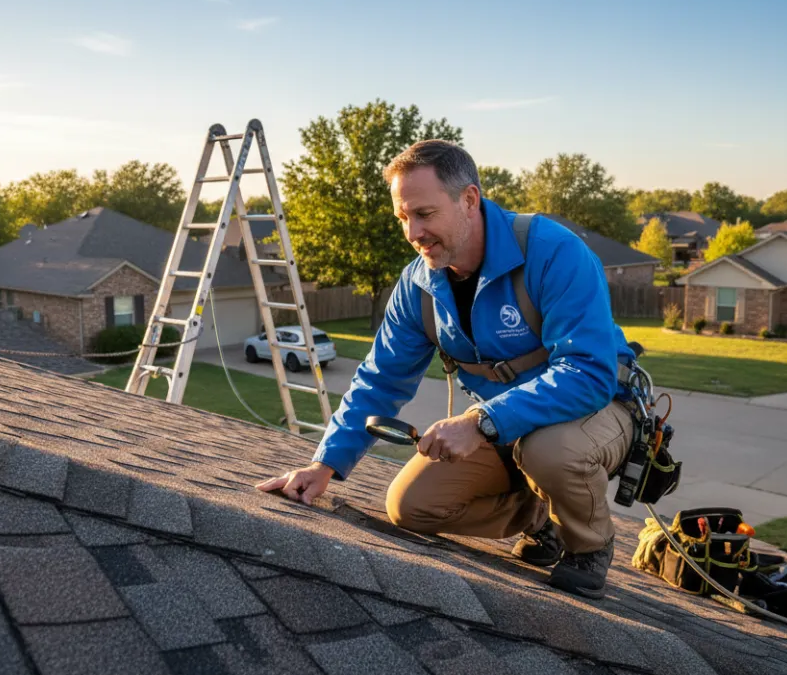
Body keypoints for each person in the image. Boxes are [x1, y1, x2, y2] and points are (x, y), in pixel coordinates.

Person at [256, 140, 637, 598]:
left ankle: (587, 545)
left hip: (596, 411)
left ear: (469, 200)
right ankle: (545, 517)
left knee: (550, 451)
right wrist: (325, 465)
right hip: (506, 428)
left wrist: (481, 421)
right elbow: (380, 381)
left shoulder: (554, 253)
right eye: (403, 218)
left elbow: (588, 373)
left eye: (425, 214)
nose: (413, 232)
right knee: (410, 506)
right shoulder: (417, 286)